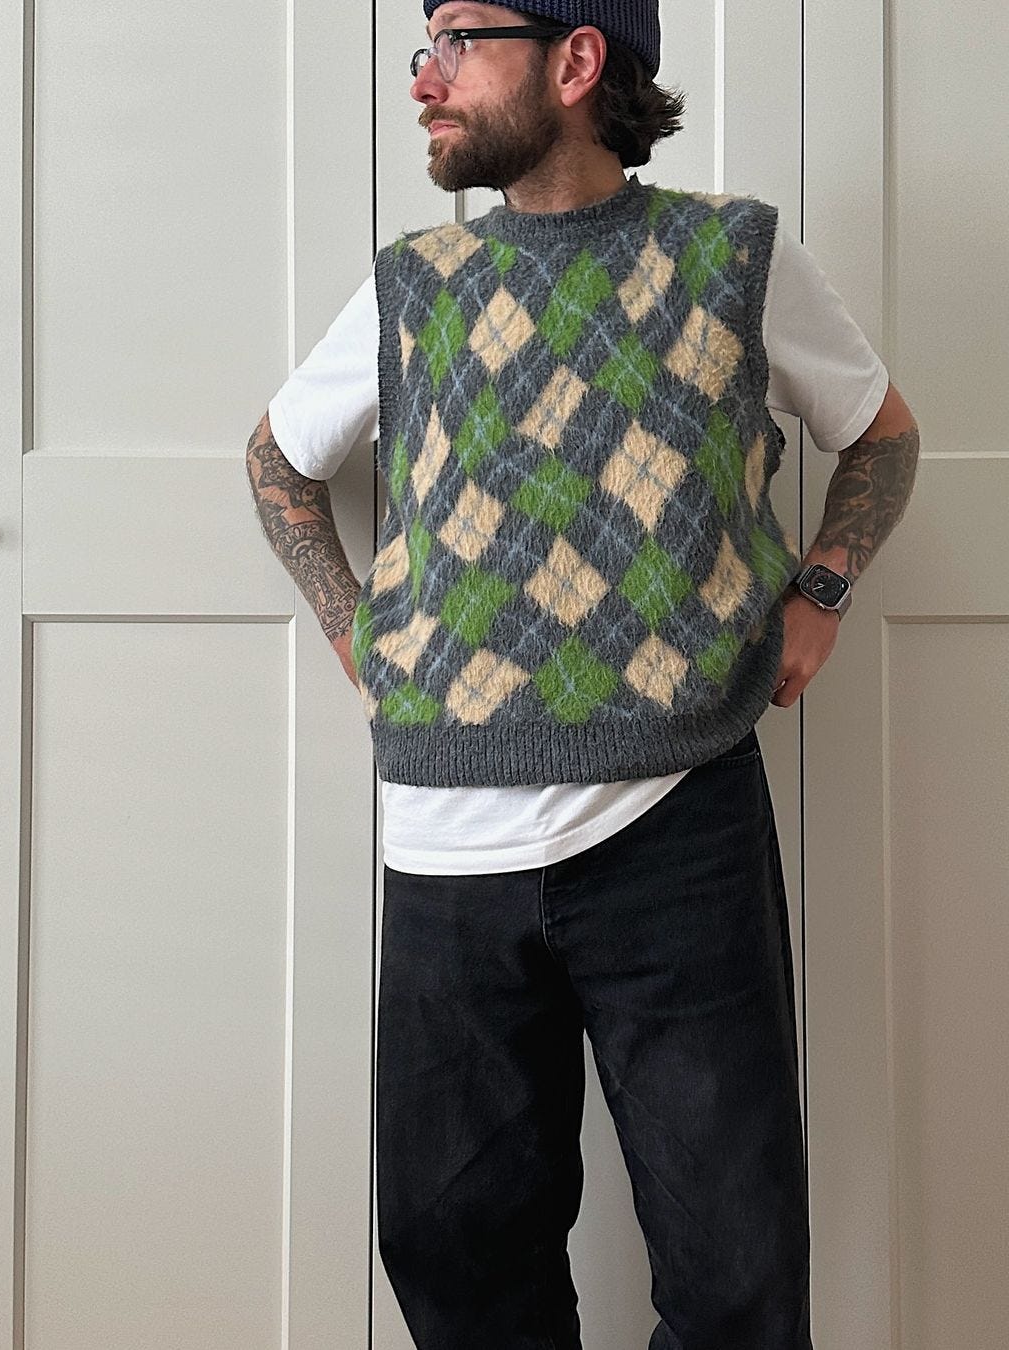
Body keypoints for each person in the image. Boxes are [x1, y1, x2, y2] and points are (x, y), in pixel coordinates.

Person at [247, 2, 920, 1344]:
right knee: (453, 1251)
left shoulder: (734, 253)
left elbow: (881, 435)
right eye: (418, 48)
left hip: (679, 830)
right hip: (442, 850)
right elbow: (278, 461)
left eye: (457, 40)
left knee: (736, 1269)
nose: (425, 77)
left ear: (576, 58)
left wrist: (824, 591)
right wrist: (351, 627)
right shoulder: (411, 283)